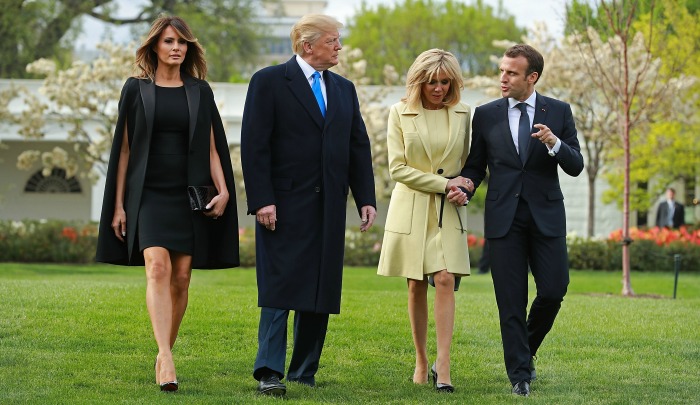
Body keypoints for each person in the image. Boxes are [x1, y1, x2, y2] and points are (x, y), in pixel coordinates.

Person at [95, 15, 239, 392]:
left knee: (181, 277)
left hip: (188, 195)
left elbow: (211, 146)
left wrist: (224, 190)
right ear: (154, 47)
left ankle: (162, 356)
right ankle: (167, 355)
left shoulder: (199, 91)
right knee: (157, 267)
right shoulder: (135, 89)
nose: (176, 48)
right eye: (169, 41)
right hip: (148, 195)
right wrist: (119, 206)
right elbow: (124, 150)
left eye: (182, 42)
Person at [240, 14, 377, 396]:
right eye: (333, 41)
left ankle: (304, 370)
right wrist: (262, 200)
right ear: (307, 45)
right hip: (282, 205)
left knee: (320, 286)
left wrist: (365, 198)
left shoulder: (345, 89)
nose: (339, 48)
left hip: (330, 205)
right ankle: (269, 370)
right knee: (279, 287)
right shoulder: (268, 82)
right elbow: (254, 146)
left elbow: (357, 145)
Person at [449, 44, 584, 396]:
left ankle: (525, 349)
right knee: (510, 301)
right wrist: (466, 185)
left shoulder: (558, 111)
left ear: (532, 77)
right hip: (503, 220)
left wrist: (554, 143)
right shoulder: (487, 114)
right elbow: (476, 165)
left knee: (554, 290)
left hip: (547, 217)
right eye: (502, 70)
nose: (502, 78)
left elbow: (575, 165)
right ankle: (520, 375)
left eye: (511, 73)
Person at [377, 49, 471, 394]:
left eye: (445, 82)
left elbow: (466, 164)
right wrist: (445, 184)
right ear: (419, 80)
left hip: (449, 211)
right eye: (432, 81)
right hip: (412, 206)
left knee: (445, 279)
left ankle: (443, 365)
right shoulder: (399, 113)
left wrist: (464, 186)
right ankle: (420, 359)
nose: (439, 88)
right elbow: (398, 168)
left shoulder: (463, 114)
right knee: (416, 283)